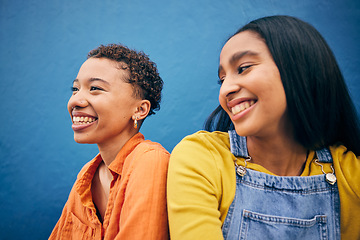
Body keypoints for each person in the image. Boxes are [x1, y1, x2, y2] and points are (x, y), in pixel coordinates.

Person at [167, 15, 360, 239]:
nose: (225, 90)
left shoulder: (349, 173)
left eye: (244, 68)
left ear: (300, 69)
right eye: (222, 79)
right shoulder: (202, 158)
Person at [49, 44, 169, 239]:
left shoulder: (149, 161)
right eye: (75, 89)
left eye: (95, 88)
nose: (76, 101)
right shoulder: (86, 176)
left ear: (140, 110)